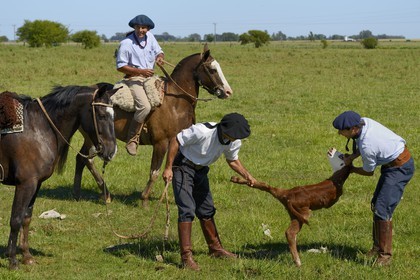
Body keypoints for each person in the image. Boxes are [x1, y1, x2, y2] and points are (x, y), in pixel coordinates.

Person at [162, 113, 257, 270]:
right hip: (182, 167)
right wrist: (168, 168)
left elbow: (232, 160)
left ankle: (215, 249)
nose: (235, 139)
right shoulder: (202, 132)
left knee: (207, 209)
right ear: (224, 129)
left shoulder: (232, 140)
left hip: (201, 171)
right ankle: (186, 258)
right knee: (187, 209)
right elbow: (176, 140)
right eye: (234, 135)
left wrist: (248, 176)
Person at [332, 110, 414, 266]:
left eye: (342, 131)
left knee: (382, 209)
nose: (339, 133)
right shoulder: (364, 122)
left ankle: (385, 256)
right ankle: (377, 247)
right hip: (392, 164)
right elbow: (361, 147)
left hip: (400, 168)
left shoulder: (368, 145)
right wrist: (351, 157)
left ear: (353, 129)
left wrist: (351, 168)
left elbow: (369, 172)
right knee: (376, 205)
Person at [115, 14, 165, 156]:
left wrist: (160, 58)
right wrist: (140, 71)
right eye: (138, 27)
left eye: (143, 28)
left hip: (150, 78)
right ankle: (132, 139)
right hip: (133, 79)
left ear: (148, 28)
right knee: (145, 106)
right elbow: (120, 66)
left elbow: (159, 51)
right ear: (134, 27)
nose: (140, 30)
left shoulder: (151, 37)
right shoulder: (126, 43)